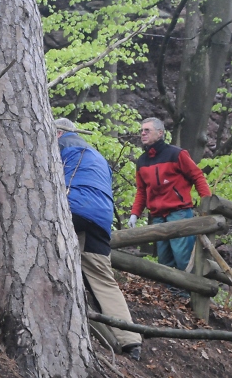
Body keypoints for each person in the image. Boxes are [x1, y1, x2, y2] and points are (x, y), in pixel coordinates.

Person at [54, 118, 143, 360]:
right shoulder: (97, 156)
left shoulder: (58, 148)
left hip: (72, 209)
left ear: (58, 134)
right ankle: (130, 340)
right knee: (103, 279)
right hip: (101, 218)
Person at [127, 117, 211, 272]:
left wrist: (207, 203)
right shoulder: (142, 161)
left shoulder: (176, 154)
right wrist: (134, 214)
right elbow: (141, 190)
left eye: (147, 130)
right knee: (165, 262)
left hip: (179, 213)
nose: (142, 133)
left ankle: (187, 294)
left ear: (160, 133)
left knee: (183, 259)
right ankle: (172, 295)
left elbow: (197, 176)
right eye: (141, 131)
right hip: (158, 216)